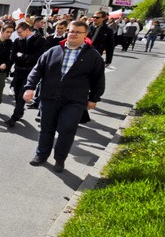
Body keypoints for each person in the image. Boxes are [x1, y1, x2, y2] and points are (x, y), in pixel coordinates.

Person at [23, 21, 106, 172]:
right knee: (46, 128)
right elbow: (37, 70)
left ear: (85, 34)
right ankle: (41, 155)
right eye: (71, 31)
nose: (73, 34)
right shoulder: (54, 51)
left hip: (74, 100)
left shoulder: (92, 56)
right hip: (49, 97)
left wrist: (94, 98)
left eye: (78, 32)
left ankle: (60, 159)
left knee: (67, 128)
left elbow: (98, 79)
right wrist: (30, 87)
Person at [6, 22, 45, 127]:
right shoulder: (18, 41)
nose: (18, 35)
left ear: (27, 29)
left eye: (20, 32)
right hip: (19, 70)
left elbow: (38, 57)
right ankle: (20, 111)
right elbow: (13, 56)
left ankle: (14, 117)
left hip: (31, 72)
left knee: (21, 95)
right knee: (17, 93)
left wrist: (23, 56)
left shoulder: (39, 40)